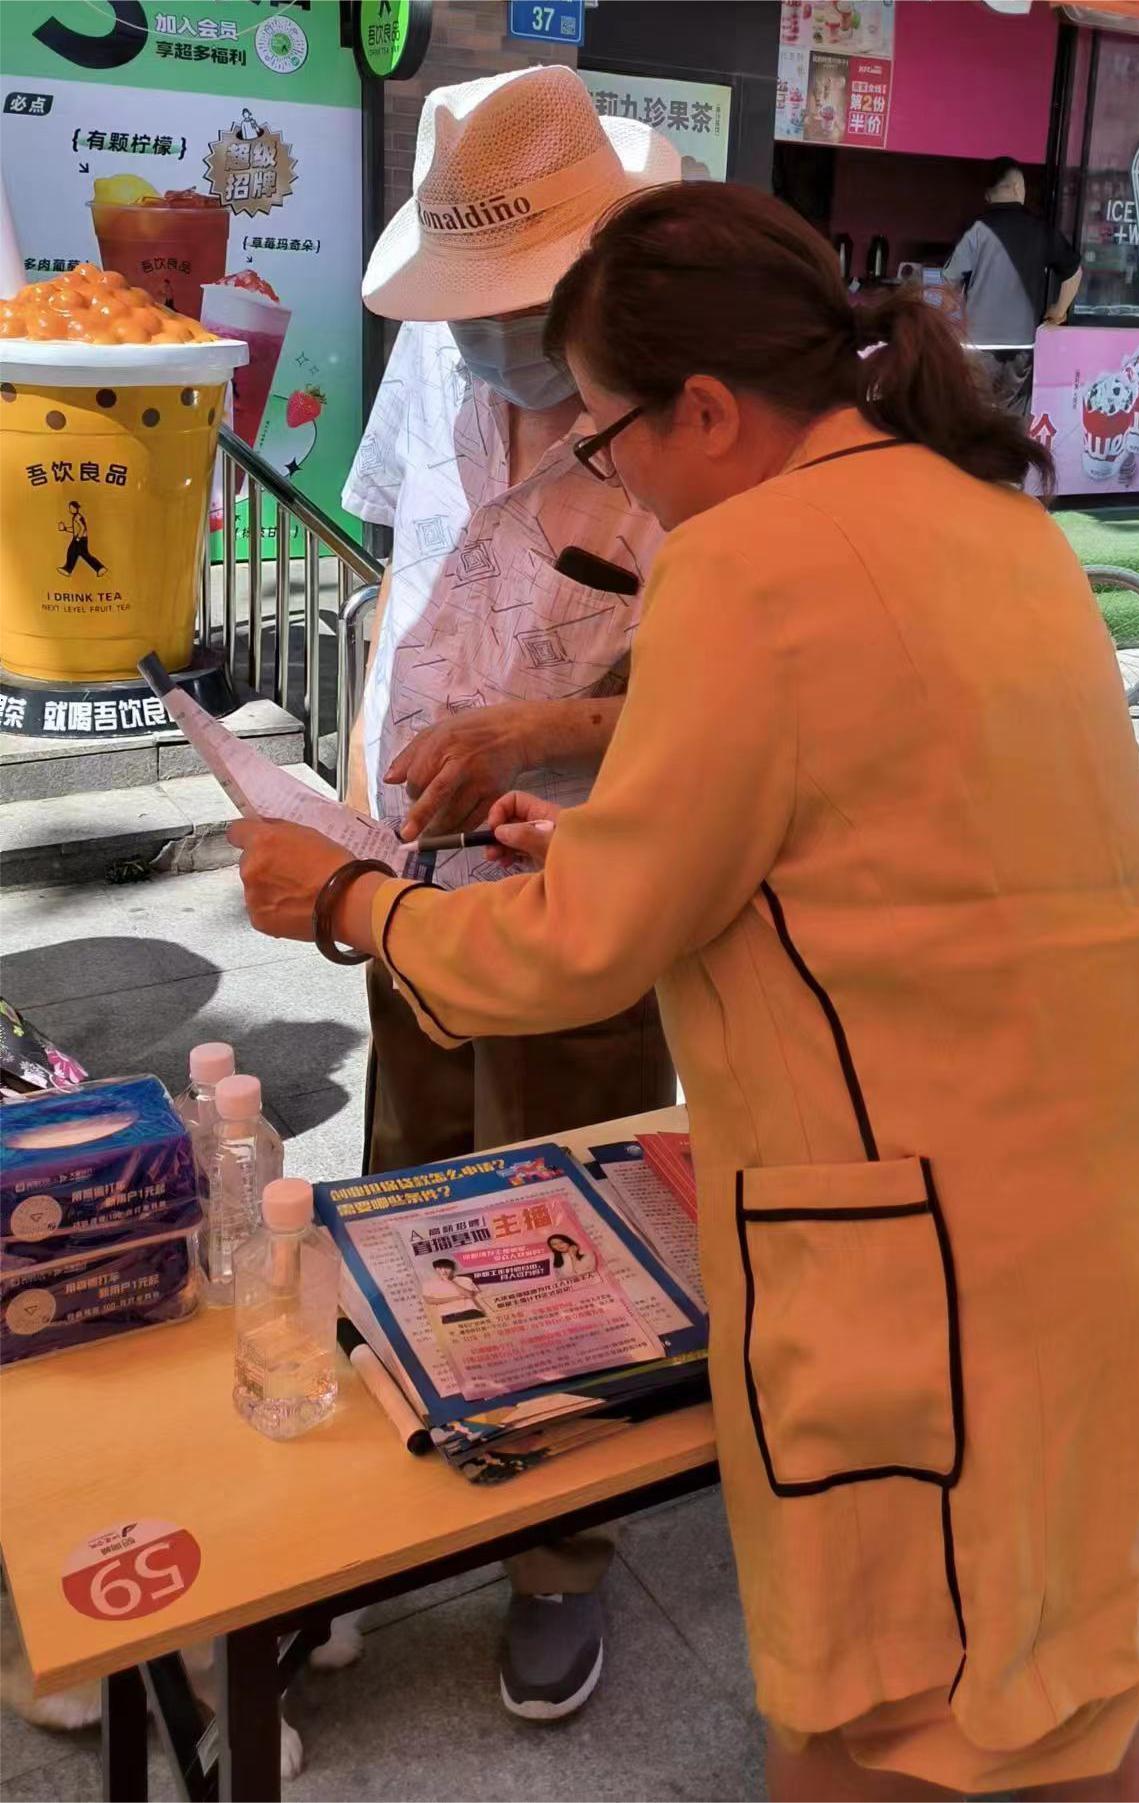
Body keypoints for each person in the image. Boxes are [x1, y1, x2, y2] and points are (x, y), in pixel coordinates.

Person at [230, 183, 1139, 1800]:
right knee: (1057, 1687)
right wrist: (608, 840)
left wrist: (350, 898)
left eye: (607, 436)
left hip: (972, 1283)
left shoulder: (743, 562)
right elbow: (891, 846)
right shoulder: (993, 520)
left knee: (923, 1723)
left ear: (706, 410)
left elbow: (576, 954)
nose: (611, 472)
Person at [340, 65, 679, 1723]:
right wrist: (368, 765)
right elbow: (400, 557)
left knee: (574, 1213)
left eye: (513, 310)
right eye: (464, 307)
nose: (483, 341)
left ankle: (560, 1553)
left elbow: (735, 700)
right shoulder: (441, 353)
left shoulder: (682, 423)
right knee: (409, 1182)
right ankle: (403, 1476)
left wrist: (542, 732)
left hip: (585, 890)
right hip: (409, 870)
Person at [945, 155, 1082, 410]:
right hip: (1021, 346)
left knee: (972, 416)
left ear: (988, 195)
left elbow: (948, 283)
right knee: (1013, 419)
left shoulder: (975, 230)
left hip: (976, 344)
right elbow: (1073, 272)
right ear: (1018, 188)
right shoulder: (1039, 230)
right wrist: (1058, 312)